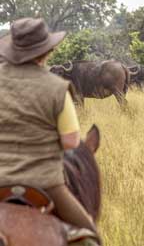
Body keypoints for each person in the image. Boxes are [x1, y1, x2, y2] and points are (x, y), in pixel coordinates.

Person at [0, 18, 100, 243]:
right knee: (91, 235)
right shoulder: (57, 88)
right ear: (47, 51)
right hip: (46, 183)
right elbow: (71, 142)